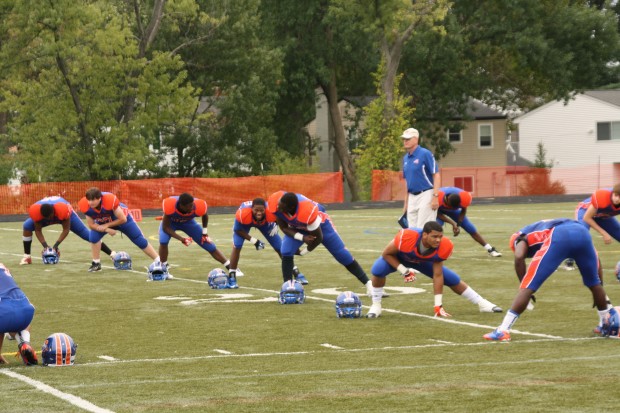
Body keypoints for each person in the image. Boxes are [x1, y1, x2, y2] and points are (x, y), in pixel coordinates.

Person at [484, 218, 611, 342]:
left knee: (529, 286)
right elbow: (596, 261)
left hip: (559, 236)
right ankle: (605, 325)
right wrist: (599, 290)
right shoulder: (542, 227)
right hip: (582, 232)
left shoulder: (521, 237)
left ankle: (503, 330)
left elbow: (518, 257)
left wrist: (525, 286)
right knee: (594, 283)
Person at [366, 221, 502, 318]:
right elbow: (386, 254)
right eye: (434, 236)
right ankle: (376, 305)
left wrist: (438, 305)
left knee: (451, 278)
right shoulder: (407, 236)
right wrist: (404, 271)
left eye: (440, 237)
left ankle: (482, 303)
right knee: (378, 270)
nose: (438, 240)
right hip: (399, 258)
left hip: (423, 261)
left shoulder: (444, 246)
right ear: (424, 235)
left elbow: (438, 275)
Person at [267, 191, 374, 296]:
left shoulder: (307, 211)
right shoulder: (278, 204)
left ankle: (369, 285)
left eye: (281, 208)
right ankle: (287, 287)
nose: (278, 209)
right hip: (298, 227)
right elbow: (284, 228)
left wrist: (304, 252)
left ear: (290, 208)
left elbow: (318, 238)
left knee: (342, 255)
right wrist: (302, 237)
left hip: (321, 227)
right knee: (286, 250)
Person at [159, 193, 240, 286]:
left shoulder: (197, 205)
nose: (192, 208)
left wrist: (204, 233)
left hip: (188, 223)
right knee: (163, 241)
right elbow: (165, 228)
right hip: (171, 224)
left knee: (209, 245)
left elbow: (204, 215)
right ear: (181, 206)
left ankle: (231, 267)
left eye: (192, 205)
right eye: (189, 206)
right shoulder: (170, 205)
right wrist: (181, 239)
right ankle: (163, 268)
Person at [78, 187, 159, 272]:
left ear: (99, 198)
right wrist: (107, 229)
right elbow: (91, 225)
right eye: (89, 200)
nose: (90, 202)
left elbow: (123, 219)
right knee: (93, 237)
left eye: (93, 200)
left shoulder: (110, 200)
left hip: (121, 220)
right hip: (103, 222)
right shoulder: (85, 206)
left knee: (138, 238)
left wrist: (107, 225)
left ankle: (158, 260)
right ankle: (96, 263)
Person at [229, 198, 307, 285]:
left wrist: (276, 223)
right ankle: (232, 277)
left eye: (261, 210)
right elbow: (237, 230)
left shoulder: (271, 211)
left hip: (265, 224)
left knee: (280, 248)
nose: (259, 213)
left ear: (265, 209)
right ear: (251, 209)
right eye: (256, 210)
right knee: (237, 246)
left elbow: (282, 218)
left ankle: (296, 273)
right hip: (244, 225)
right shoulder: (243, 214)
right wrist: (254, 240)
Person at [20, 196, 115, 265]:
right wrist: (45, 246)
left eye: (50, 217)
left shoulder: (62, 209)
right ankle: (27, 256)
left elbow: (66, 229)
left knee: (88, 235)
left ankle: (111, 253)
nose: (49, 219)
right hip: (48, 213)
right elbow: (38, 230)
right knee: (27, 226)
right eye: (46, 218)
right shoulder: (37, 212)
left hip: (65, 215)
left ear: (53, 211)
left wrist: (56, 246)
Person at [564, 184, 620, 270]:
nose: (617, 199)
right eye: (616, 195)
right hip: (585, 211)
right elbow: (587, 218)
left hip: (603, 215)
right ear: (613, 193)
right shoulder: (602, 197)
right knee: (582, 234)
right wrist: (604, 233)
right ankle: (570, 259)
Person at [435, 187, 502, 257]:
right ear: (447, 200)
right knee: (436, 226)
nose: (451, 208)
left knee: (470, 228)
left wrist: (459, 224)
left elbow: (463, 210)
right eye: (451, 207)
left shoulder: (463, 196)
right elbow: (437, 213)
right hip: (438, 210)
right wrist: (453, 223)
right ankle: (434, 250)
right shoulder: (437, 197)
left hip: (453, 211)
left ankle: (490, 249)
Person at [401, 127, 441, 229]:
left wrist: (435, 196)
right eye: (404, 139)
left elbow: (436, 174)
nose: (405, 141)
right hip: (412, 196)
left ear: (416, 139)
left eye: (408, 139)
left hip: (426, 194)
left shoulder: (425, 153)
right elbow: (407, 182)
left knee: (424, 228)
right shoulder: (405, 158)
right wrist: (406, 203)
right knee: (411, 230)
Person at [0, 263, 38, 365]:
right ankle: (24, 342)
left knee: (5, 315)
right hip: (26, 312)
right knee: (12, 318)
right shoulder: (2, 266)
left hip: (4, 314)